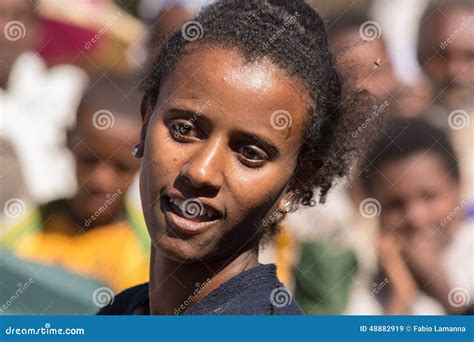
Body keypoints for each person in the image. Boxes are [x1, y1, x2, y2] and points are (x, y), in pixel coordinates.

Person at [99, 0, 378, 315]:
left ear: (296, 184)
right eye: (184, 129)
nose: (202, 171)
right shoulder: (121, 311)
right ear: (146, 120)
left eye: (250, 153)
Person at [1, 76, 150, 293]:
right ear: (69, 139)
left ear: (146, 159)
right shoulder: (24, 231)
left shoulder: (149, 255)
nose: (100, 180)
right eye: (89, 159)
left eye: (122, 167)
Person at [362, 118, 473, 315]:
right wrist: (401, 293)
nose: (416, 218)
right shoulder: (367, 281)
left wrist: (440, 286)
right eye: (395, 205)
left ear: (458, 187)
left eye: (429, 196)